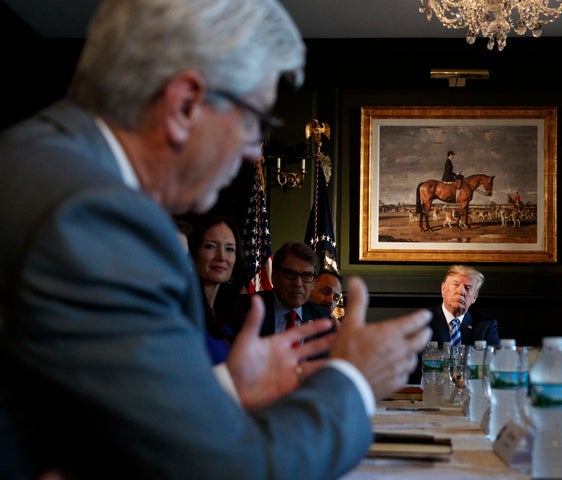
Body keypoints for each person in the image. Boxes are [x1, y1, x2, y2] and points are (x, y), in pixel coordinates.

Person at [0, 1, 432, 478]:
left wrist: (221, 388)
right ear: (185, 105)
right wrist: (352, 380)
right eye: (255, 123)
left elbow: (84, 413)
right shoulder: (99, 218)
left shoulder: (31, 156)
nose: (253, 154)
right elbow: (226, 470)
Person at [409, 265, 500, 384]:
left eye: (467, 288)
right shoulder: (422, 321)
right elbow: (410, 367)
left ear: (474, 298)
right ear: (443, 289)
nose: (461, 291)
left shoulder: (485, 324)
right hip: (429, 390)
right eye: (456, 285)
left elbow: (492, 366)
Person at [234, 241, 330, 339]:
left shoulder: (323, 318)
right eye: (289, 273)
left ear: (314, 282)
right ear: (274, 276)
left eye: (307, 275)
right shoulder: (244, 310)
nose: (298, 283)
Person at [188, 214, 241, 364]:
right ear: (193, 253)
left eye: (230, 249)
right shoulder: (185, 311)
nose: (222, 257)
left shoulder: (230, 314)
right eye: (211, 246)